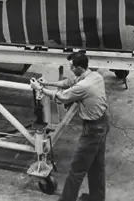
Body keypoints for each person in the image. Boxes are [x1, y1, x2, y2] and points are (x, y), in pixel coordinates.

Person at [31, 52, 109, 201]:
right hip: (103, 123)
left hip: (93, 130)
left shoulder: (84, 86)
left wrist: (38, 89)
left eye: (72, 67)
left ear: (79, 67)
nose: (71, 69)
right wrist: (45, 83)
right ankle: (96, 198)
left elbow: (60, 97)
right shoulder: (94, 76)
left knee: (76, 170)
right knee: (96, 165)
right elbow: (67, 83)